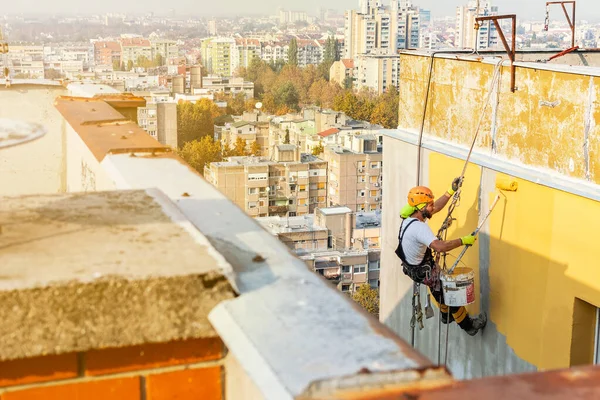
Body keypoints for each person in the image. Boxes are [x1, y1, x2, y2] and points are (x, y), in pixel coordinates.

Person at [395, 180, 487, 336]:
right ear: (420, 208)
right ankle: (469, 326)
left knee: (439, 291)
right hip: (422, 270)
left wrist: (450, 192)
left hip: (413, 267)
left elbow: (436, 207)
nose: (433, 207)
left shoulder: (410, 218)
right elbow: (439, 246)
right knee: (450, 294)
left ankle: (445, 315)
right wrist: (463, 240)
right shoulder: (419, 228)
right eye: (429, 205)